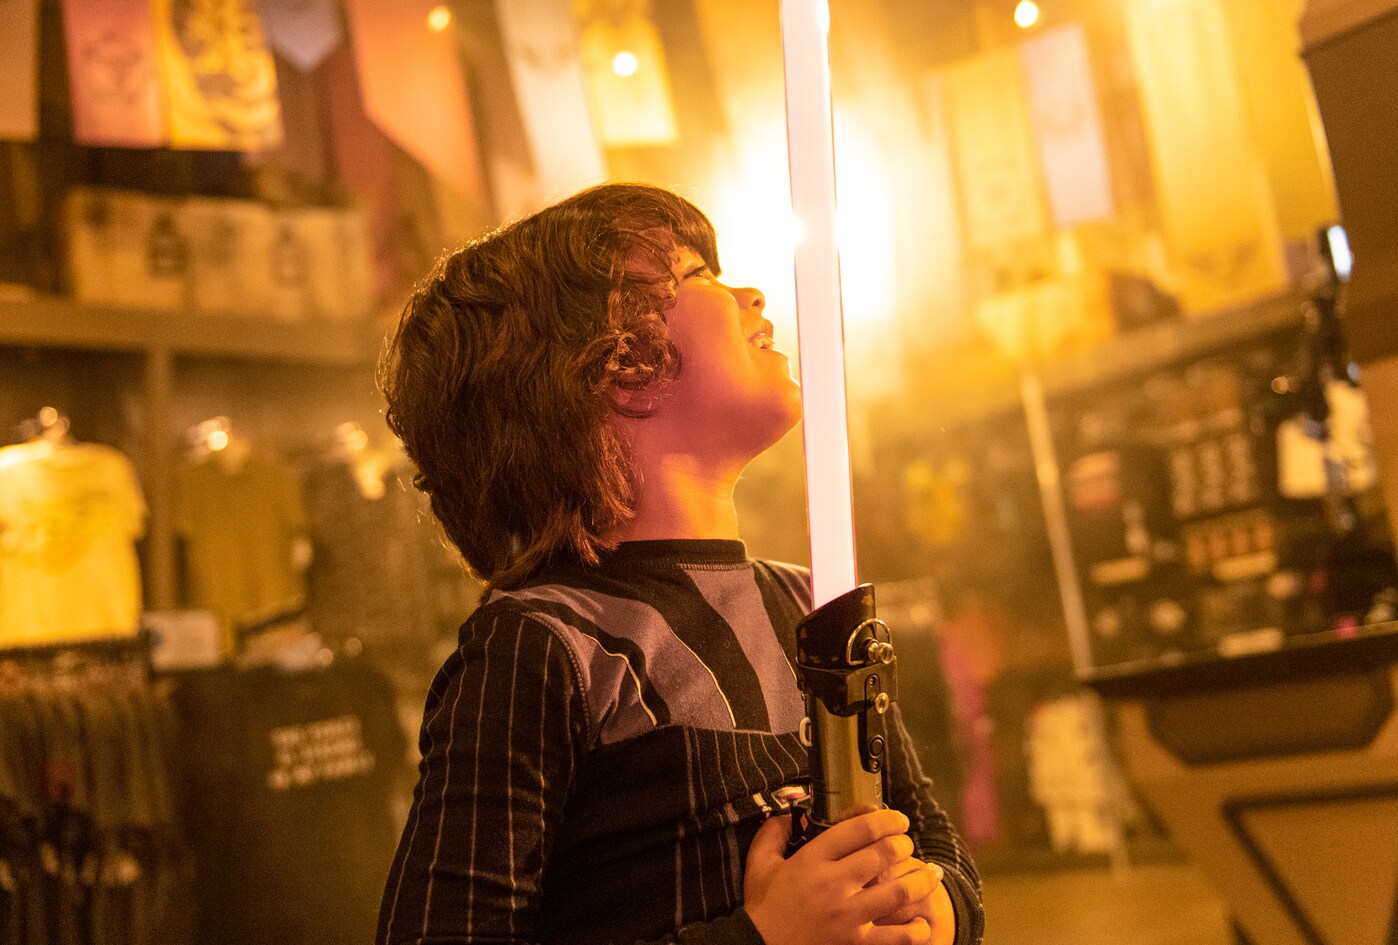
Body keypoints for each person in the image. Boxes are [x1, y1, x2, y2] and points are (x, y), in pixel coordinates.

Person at [375, 182, 985, 945]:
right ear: (612, 362)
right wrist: (765, 935)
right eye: (699, 275)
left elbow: (930, 837)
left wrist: (935, 907)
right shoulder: (544, 645)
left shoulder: (811, 604)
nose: (752, 293)